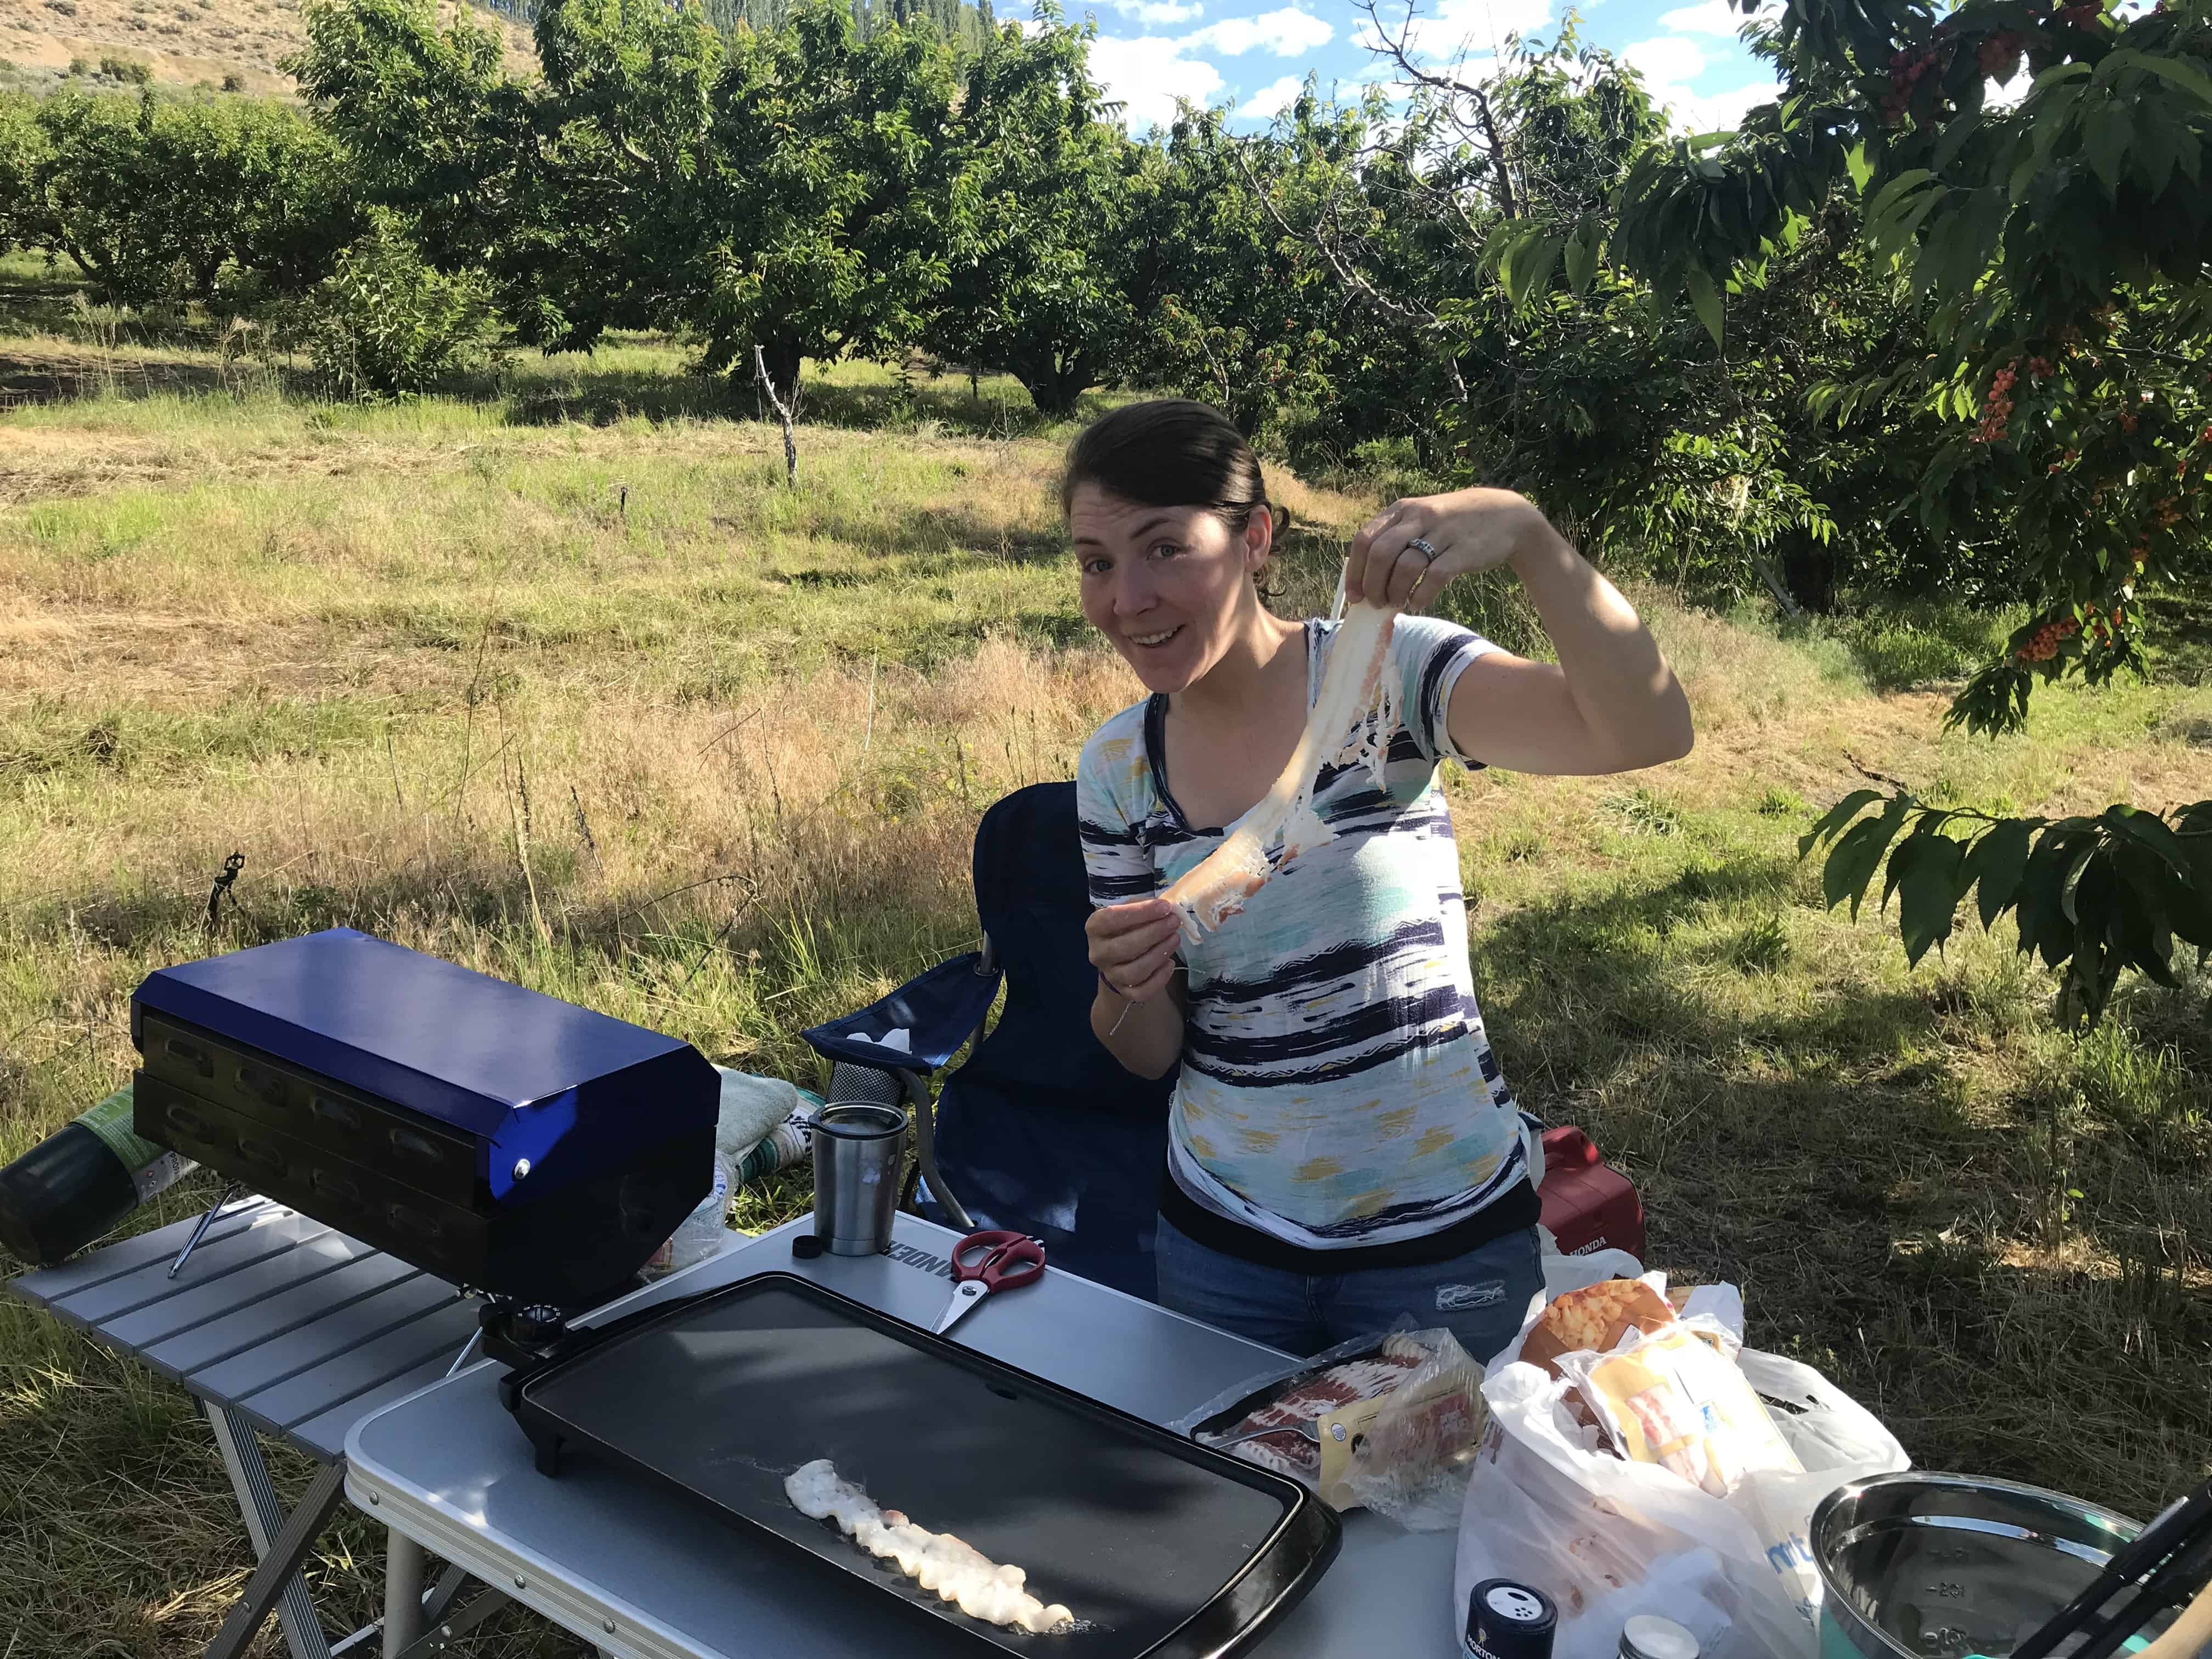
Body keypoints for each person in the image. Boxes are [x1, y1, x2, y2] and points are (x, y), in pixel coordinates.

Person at [1070, 400, 1693, 1362]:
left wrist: (1528, 534)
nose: (1128, 598)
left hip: (1440, 1239)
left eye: (1164, 548)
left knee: (1446, 1507)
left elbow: (1647, 730)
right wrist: (1124, 983)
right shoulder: (1117, 767)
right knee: (1243, 1503)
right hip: (1223, 1242)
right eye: (1097, 562)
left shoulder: (1390, 679)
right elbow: (1145, 1054)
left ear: (1255, 540)